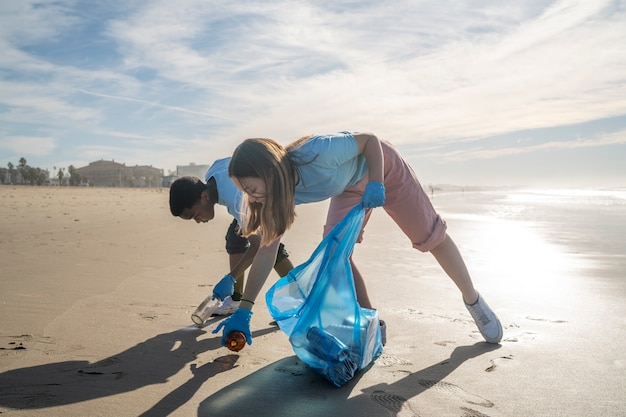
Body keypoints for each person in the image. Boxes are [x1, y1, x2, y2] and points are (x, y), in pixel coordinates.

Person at [213, 132, 503, 347]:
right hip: (349, 188)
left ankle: (473, 300)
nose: (251, 197)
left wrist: (376, 181)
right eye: (245, 191)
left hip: (383, 169)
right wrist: (245, 310)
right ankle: (372, 322)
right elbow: (266, 252)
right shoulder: (275, 194)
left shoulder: (314, 153)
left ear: (268, 171)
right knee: (336, 253)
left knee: (430, 237)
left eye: (251, 188)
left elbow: (369, 141)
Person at [169, 157, 294, 316]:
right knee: (236, 237)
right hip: (254, 194)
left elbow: (258, 246)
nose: (198, 221)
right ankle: (235, 299)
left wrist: (231, 277)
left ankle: (303, 297)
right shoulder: (213, 175)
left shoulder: (235, 199)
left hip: (277, 193)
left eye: (195, 215)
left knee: (269, 246)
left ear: (205, 197)